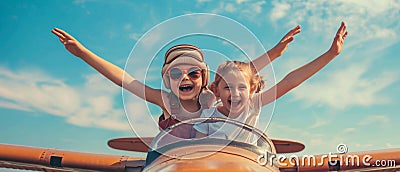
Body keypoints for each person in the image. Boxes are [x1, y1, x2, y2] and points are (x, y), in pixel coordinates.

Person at [50, 24, 301, 138]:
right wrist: (83, 53)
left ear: (204, 79)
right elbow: (124, 80)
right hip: (173, 158)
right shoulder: (165, 100)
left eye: (193, 73)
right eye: (175, 73)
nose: (185, 78)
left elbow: (243, 74)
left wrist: (276, 52)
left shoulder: (210, 96)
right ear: (167, 79)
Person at [194, 22, 348, 142]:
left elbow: (290, 81)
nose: (235, 93)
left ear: (252, 90)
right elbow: (196, 152)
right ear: (216, 91)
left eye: (241, 87)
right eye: (228, 87)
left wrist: (331, 54)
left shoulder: (251, 105)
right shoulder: (207, 117)